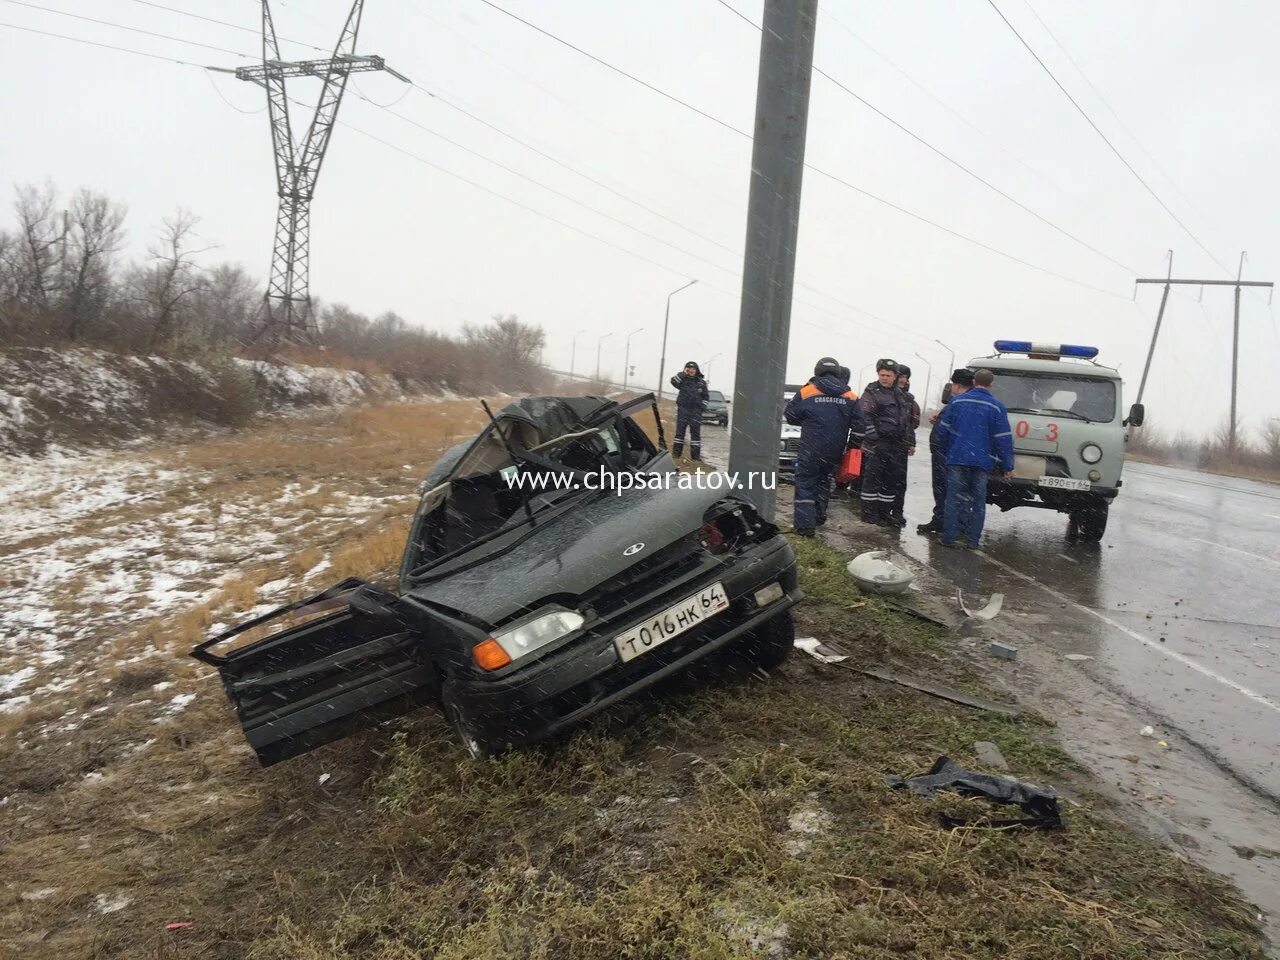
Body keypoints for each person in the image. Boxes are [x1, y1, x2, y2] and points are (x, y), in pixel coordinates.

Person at [935, 368, 1015, 548]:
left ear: (973, 382)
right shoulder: (996, 406)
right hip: (982, 462)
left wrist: (947, 451)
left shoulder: (957, 402)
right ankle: (972, 541)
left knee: (953, 499)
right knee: (978, 502)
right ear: (991, 384)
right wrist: (1007, 464)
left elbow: (943, 431)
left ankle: (949, 537)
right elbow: (1003, 438)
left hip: (957, 459)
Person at [784, 357, 862, 536]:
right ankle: (819, 516)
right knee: (824, 480)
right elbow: (860, 427)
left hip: (810, 447)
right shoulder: (850, 396)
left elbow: (790, 415)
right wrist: (852, 447)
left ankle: (805, 527)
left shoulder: (807, 391)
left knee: (805, 482)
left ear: (817, 371)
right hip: (834, 450)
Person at [917, 368, 974, 536]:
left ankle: (952, 526)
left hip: (948, 453)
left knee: (948, 490)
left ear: (956, 385)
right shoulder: (959, 401)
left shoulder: (960, 401)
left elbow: (950, 429)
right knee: (946, 490)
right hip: (949, 453)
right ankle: (942, 521)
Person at [858, 359, 915, 526]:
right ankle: (869, 513)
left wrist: (908, 441)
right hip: (878, 444)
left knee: (890, 481)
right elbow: (865, 418)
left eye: (888, 375)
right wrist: (873, 439)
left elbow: (906, 421)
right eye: (882, 375)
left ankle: (884, 513)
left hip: (896, 445)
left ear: (895, 376)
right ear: (878, 374)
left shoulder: (900, 395)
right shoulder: (872, 392)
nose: (885, 378)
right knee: (872, 480)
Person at [886, 365, 922, 527]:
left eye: (906, 377)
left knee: (900, 481)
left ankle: (897, 511)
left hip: (901, 445)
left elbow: (911, 424)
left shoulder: (909, 399)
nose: (903, 380)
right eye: (901, 376)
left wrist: (911, 443)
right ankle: (884, 511)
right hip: (886, 444)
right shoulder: (885, 395)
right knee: (886, 480)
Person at [669, 360, 709, 461]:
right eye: (689, 369)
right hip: (683, 410)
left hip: (695, 412)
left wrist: (701, 408)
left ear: (696, 370)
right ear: (686, 370)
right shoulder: (682, 380)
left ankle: (695, 457)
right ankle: (676, 455)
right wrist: (683, 373)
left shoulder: (701, 383)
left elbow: (706, 397)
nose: (691, 370)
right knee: (679, 434)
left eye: (693, 369)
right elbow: (673, 381)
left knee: (695, 435)